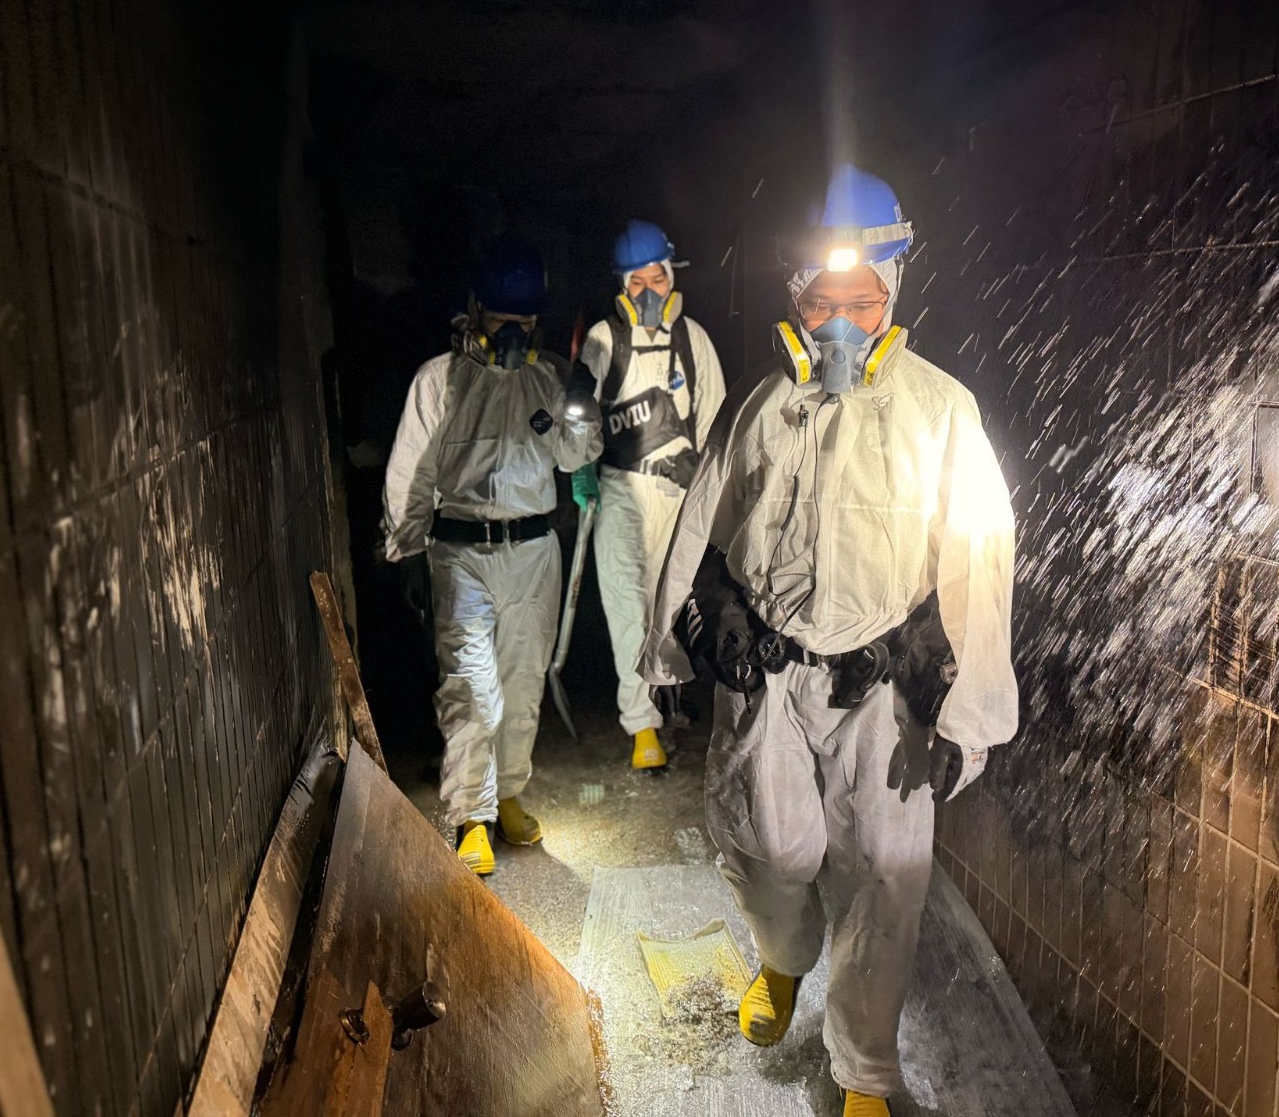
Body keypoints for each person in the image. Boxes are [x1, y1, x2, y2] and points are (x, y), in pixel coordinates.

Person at [638, 165, 1018, 1116]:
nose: (840, 322)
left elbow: (981, 559)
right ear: (796, 298)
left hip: (882, 685)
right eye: (822, 302)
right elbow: (700, 524)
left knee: (886, 876)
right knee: (767, 848)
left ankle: (863, 1072)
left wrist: (969, 713)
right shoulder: (760, 406)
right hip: (770, 676)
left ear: (894, 293)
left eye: (862, 300)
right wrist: (670, 652)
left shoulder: (942, 412)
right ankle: (783, 956)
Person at [382, 235, 601, 876]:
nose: (511, 334)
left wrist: (580, 405)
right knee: (473, 689)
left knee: (523, 684)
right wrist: (408, 551)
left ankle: (507, 795)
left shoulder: (547, 378)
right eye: (501, 320)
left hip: (534, 551)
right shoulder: (439, 380)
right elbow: (411, 473)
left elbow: (576, 456)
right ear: (475, 311)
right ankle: (470, 816)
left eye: (523, 324)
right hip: (461, 553)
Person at [571, 220, 725, 769]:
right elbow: (579, 416)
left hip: (677, 493)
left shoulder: (693, 339)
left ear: (671, 277)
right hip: (621, 491)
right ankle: (642, 728)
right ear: (621, 286)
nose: (649, 292)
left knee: (673, 605)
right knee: (628, 610)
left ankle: (674, 699)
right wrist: (580, 467)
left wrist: (709, 489)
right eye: (636, 283)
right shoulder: (603, 339)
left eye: (656, 279)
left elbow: (715, 422)